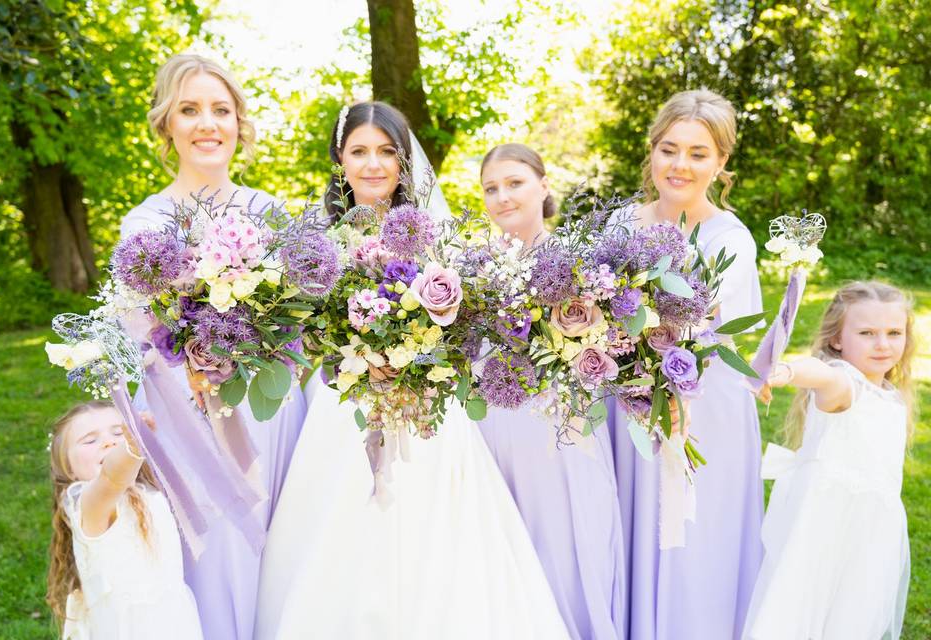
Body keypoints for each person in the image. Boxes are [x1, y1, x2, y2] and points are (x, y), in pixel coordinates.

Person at [255, 102, 568, 640]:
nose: (373, 164)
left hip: (424, 406)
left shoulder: (434, 235)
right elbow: (301, 331)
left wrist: (409, 359)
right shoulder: (315, 241)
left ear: (403, 162)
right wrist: (353, 357)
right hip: (344, 405)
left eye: (386, 151)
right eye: (359, 151)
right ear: (340, 160)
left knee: (434, 537)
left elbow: (461, 331)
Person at [119, 52, 307, 640]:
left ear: (239, 124)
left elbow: (298, 328)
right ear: (166, 126)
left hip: (273, 410)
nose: (208, 124)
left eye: (221, 110)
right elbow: (138, 341)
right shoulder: (144, 225)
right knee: (220, 552)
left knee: (287, 548)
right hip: (190, 412)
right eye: (190, 110)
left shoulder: (270, 213)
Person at [607, 89, 764, 638]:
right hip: (627, 398)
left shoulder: (731, 239)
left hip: (704, 407)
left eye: (699, 153)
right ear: (651, 152)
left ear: (722, 163)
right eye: (669, 149)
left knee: (693, 532)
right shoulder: (622, 223)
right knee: (633, 522)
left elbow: (698, 325)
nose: (680, 165)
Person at [476, 143, 625, 639]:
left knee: (563, 539)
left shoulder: (579, 262)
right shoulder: (475, 267)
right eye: (491, 188)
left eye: (515, 182)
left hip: (561, 427)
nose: (503, 197)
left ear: (543, 184)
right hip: (495, 427)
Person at [743, 281, 913, 639]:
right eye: (867, 333)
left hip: (872, 531)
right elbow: (819, 373)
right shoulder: (846, 384)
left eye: (894, 332)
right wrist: (786, 371)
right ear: (837, 339)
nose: (883, 344)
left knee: (854, 615)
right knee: (802, 610)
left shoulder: (890, 395)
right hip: (828, 525)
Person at [46, 401, 202, 640]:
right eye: (90, 440)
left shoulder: (149, 493)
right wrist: (131, 446)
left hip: (171, 619)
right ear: (68, 468)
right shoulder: (89, 503)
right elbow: (111, 477)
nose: (108, 442)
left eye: (118, 432)